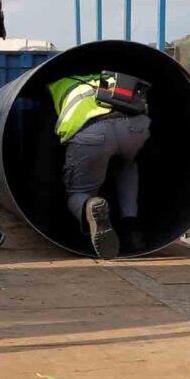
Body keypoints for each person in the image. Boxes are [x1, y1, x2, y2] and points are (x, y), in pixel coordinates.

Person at [48, 73, 151, 259]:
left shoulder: (60, 83)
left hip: (92, 134)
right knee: (127, 164)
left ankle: (89, 205)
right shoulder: (107, 77)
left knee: (78, 192)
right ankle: (132, 230)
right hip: (136, 128)